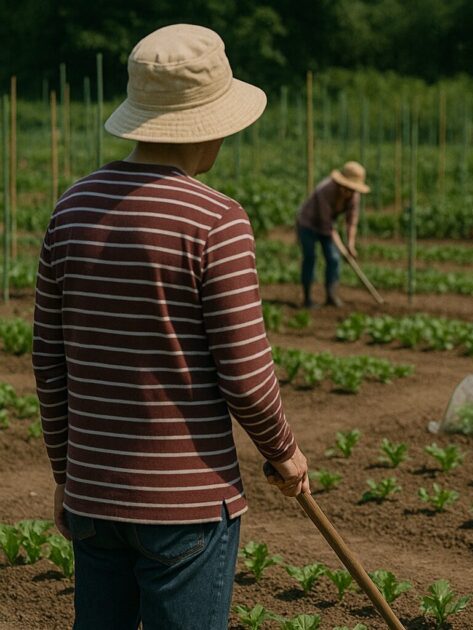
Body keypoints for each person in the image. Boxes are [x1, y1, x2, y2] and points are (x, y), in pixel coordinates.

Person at [32, 24, 310, 629]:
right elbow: (245, 376)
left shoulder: (72, 206)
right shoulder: (216, 221)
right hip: (184, 506)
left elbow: (49, 362)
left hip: (92, 495)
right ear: (208, 123)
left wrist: (65, 474)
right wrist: (284, 452)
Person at [296, 161, 370, 307]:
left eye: (352, 189)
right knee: (310, 257)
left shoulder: (354, 196)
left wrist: (350, 245)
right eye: (347, 188)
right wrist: (341, 248)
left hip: (327, 228)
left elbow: (351, 221)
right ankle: (307, 298)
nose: (349, 192)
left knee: (334, 259)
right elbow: (327, 224)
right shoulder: (325, 190)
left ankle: (331, 295)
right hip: (307, 224)